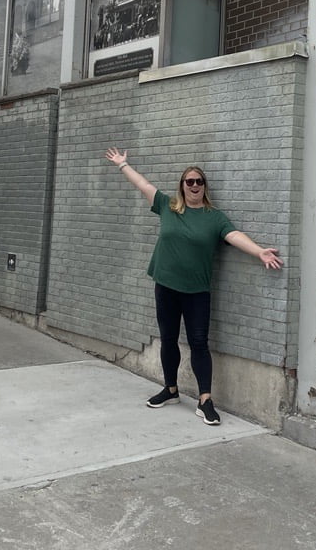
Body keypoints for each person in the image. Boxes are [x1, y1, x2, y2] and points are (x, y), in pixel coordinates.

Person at [105, 147, 283, 426]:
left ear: (204, 187)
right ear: (182, 186)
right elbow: (143, 185)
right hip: (166, 286)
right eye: (190, 181)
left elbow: (235, 235)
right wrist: (122, 165)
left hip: (197, 291)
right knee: (168, 337)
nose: (195, 185)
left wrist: (259, 252)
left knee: (199, 343)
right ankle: (171, 389)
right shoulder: (168, 206)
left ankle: (205, 400)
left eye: (199, 181)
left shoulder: (214, 217)